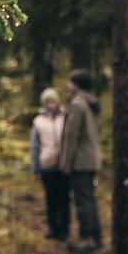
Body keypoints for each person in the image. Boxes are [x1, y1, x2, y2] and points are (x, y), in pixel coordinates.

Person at [58, 69, 104, 254]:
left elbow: (71, 135)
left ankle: (87, 238)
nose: (67, 84)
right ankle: (96, 236)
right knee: (89, 199)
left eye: (70, 81)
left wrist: (66, 162)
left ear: (76, 84)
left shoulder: (78, 104)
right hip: (92, 157)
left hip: (81, 160)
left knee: (83, 200)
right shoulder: (92, 103)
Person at [30, 87, 72, 241]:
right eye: (48, 102)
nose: (50, 104)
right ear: (44, 104)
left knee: (64, 198)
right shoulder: (38, 122)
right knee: (51, 199)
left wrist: (70, 163)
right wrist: (35, 168)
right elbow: (34, 146)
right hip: (47, 167)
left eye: (53, 101)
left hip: (64, 166)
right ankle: (53, 228)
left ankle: (65, 229)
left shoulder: (65, 117)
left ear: (57, 102)